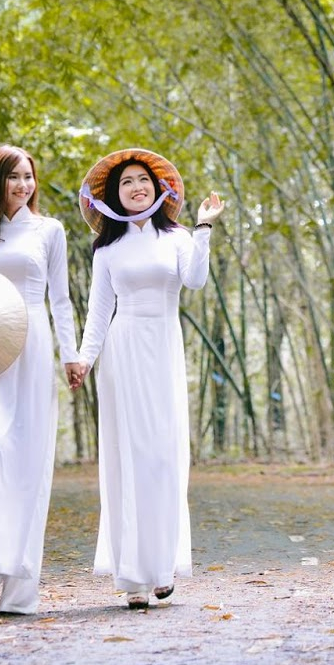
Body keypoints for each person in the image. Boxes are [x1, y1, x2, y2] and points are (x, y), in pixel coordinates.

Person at [70, 149, 225, 609]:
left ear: (158, 189)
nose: (136, 187)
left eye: (143, 180)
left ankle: (162, 567)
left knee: (163, 453)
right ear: (113, 197)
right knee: (127, 457)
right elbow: (99, 312)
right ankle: (133, 575)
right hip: (123, 351)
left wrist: (204, 227)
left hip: (163, 345)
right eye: (126, 183)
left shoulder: (177, 237)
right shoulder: (107, 249)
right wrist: (83, 359)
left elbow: (194, 280)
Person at [0, 145, 83, 614]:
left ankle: (21, 586)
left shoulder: (50, 230)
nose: (23, 185)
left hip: (31, 343)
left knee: (27, 459)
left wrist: (71, 355)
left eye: (28, 176)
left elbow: (62, 299)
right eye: (13, 177)